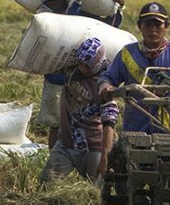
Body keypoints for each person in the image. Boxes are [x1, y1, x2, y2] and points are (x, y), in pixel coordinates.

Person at [98, 2, 170, 134]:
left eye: (157, 24)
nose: (152, 29)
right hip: (135, 128)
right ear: (139, 26)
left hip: (167, 128)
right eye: (148, 24)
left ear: (166, 26)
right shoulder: (128, 53)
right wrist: (105, 87)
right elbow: (108, 77)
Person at [35, 0, 125, 148]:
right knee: (57, 123)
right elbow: (68, 28)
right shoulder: (43, 16)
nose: (54, 2)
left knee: (88, 120)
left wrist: (118, 6)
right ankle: (57, 155)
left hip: (83, 79)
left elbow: (106, 29)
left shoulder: (81, 10)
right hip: (57, 80)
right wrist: (76, 0)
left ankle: (90, 154)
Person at [39, 37, 119, 183]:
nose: (83, 68)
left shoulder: (105, 85)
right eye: (81, 64)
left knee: (94, 192)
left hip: (94, 148)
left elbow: (109, 124)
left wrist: (105, 156)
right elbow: (50, 69)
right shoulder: (72, 71)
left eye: (87, 65)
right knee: (47, 183)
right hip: (66, 143)